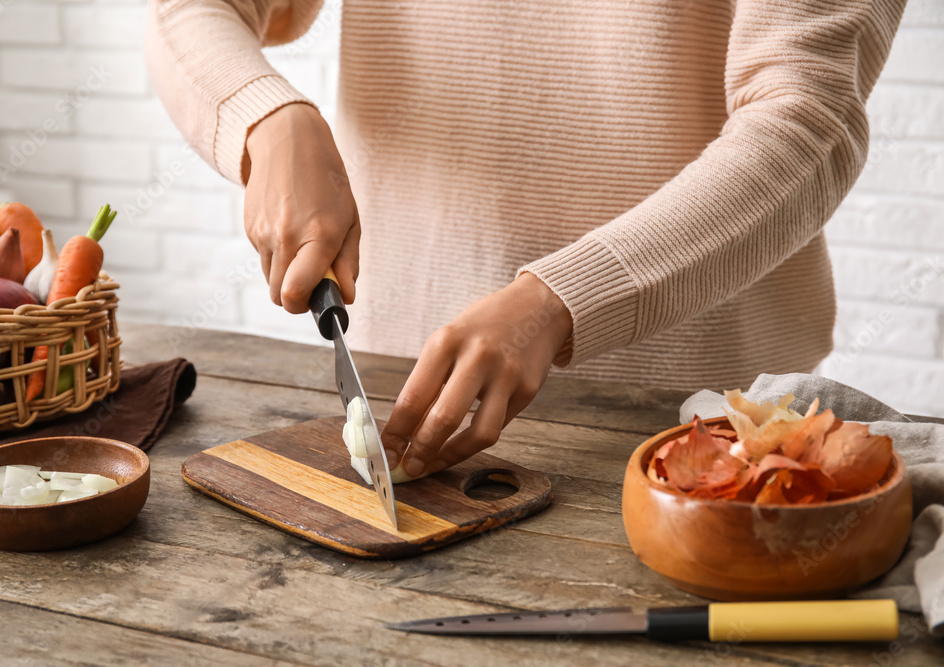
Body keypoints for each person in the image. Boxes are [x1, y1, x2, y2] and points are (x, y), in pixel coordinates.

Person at [147, 0, 905, 479]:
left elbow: (807, 124)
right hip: (399, 394)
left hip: (699, 430)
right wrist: (268, 119)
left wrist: (563, 300)